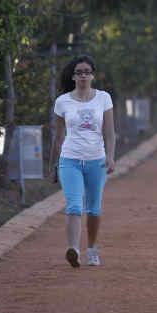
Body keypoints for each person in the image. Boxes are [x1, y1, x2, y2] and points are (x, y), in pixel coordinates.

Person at [50, 55, 115, 268]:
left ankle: (92, 248)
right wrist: (53, 164)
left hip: (96, 161)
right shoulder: (63, 101)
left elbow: (110, 133)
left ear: (93, 75)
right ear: (73, 76)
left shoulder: (103, 98)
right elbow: (58, 137)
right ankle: (74, 250)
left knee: (94, 209)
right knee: (75, 205)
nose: (83, 75)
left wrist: (111, 156)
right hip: (70, 160)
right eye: (79, 72)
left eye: (87, 71)